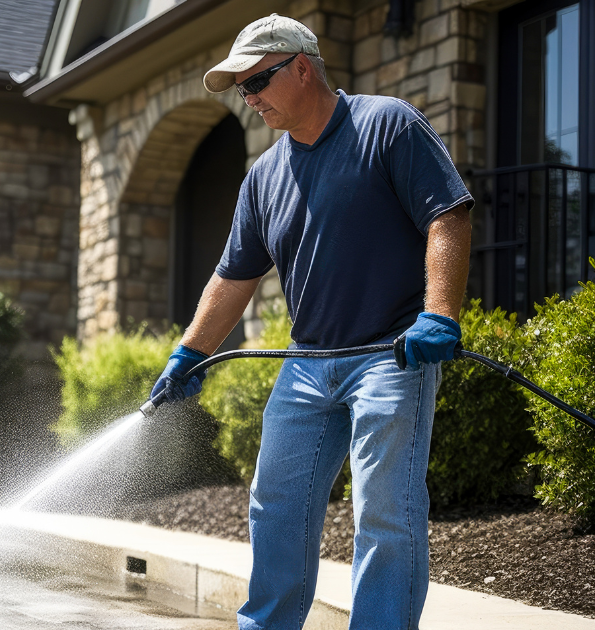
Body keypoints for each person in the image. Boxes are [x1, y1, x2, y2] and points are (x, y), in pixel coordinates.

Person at [148, 14, 472, 630]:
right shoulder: (263, 177)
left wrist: (439, 315)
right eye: (242, 89)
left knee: (384, 510)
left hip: (392, 354)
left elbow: (447, 216)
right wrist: (189, 352)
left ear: (301, 67)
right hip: (308, 365)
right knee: (275, 506)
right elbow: (234, 276)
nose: (250, 99)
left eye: (258, 81)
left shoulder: (387, 124)